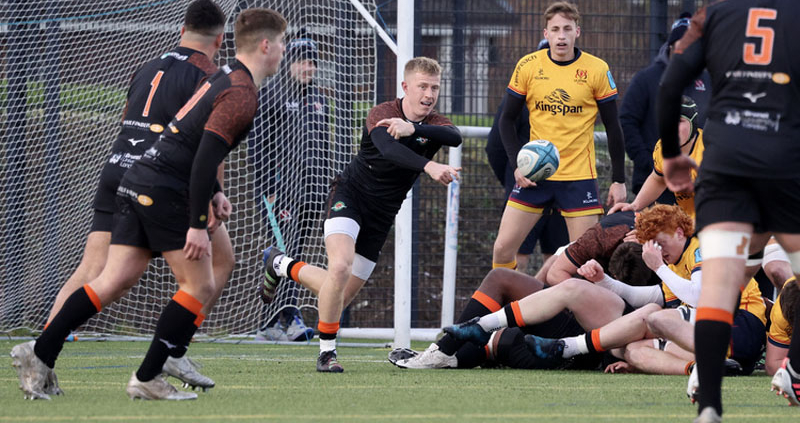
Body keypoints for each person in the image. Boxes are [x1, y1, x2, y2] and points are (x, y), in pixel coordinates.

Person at [10, 8, 287, 401]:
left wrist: (217, 194)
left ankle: (40, 352)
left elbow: (193, 140)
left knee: (112, 277)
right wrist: (196, 222)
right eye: (282, 43)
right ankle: (150, 373)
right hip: (164, 187)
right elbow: (205, 156)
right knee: (200, 282)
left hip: (135, 178)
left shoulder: (225, 77)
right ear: (265, 46)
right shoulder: (240, 92)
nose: (284, 51)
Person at [261, 56, 462, 372]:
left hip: (382, 216)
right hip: (350, 196)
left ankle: (279, 263)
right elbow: (390, 150)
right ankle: (327, 354)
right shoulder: (382, 113)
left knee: (336, 293)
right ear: (405, 87)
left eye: (435, 87)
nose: (429, 94)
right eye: (423, 86)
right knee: (339, 267)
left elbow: (456, 136)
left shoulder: (434, 123)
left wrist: (414, 127)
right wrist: (429, 164)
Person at [656, 1, 800, 419]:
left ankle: (710, 408)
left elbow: (669, 86)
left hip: (725, 165)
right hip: (784, 163)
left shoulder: (714, 13)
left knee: (720, 287)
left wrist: (670, 155)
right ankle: (796, 371)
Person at [491, 1, 628, 273]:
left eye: (567, 29)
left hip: (578, 177)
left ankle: (568, 314)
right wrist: (517, 164)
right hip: (535, 176)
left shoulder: (597, 69)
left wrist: (619, 180)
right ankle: (502, 310)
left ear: (578, 32)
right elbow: (506, 121)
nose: (561, 35)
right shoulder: (528, 66)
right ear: (546, 34)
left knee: (585, 260)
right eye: (555, 29)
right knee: (502, 249)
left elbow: (614, 127)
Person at [392, 242, 659, 370]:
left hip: (601, 340)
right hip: (584, 319)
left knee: (504, 341)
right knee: (502, 280)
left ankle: (450, 348)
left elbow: (558, 275)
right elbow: (557, 264)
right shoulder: (613, 228)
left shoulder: (682, 262)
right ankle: (444, 350)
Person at [251, 33, 329, 342]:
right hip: (282, 193)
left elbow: (324, 146)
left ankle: (270, 324)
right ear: (289, 64)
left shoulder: (319, 98)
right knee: (288, 253)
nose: (308, 67)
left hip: (313, 191)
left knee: (292, 253)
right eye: (302, 61)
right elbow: (259, 147)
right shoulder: (271, 94)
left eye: (312, 62)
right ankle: (290, 316)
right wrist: (270, 187)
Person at [485, 39, 569, 272]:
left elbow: (494, 147)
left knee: (559, 258)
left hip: (560, 187)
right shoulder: (520, 98)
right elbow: (496, 146)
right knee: (520, 255)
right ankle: (517, 308)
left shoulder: (570, 97)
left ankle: (537, 308)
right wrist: (516, 175)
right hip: (538, 187)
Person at [620, 13, 710, 200]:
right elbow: (627, 121)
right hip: (655, 178)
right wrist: (648, 162)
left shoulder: (709, 80)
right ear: (670, 47)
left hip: (697, 183)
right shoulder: (647, 79)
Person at [611, 95, 703, 220]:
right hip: (687, 223)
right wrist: (635, 205)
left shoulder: (710, 149)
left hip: (717, 225)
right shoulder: (662, 148)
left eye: (679, 121)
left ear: (693, 122)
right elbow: (658, 179)